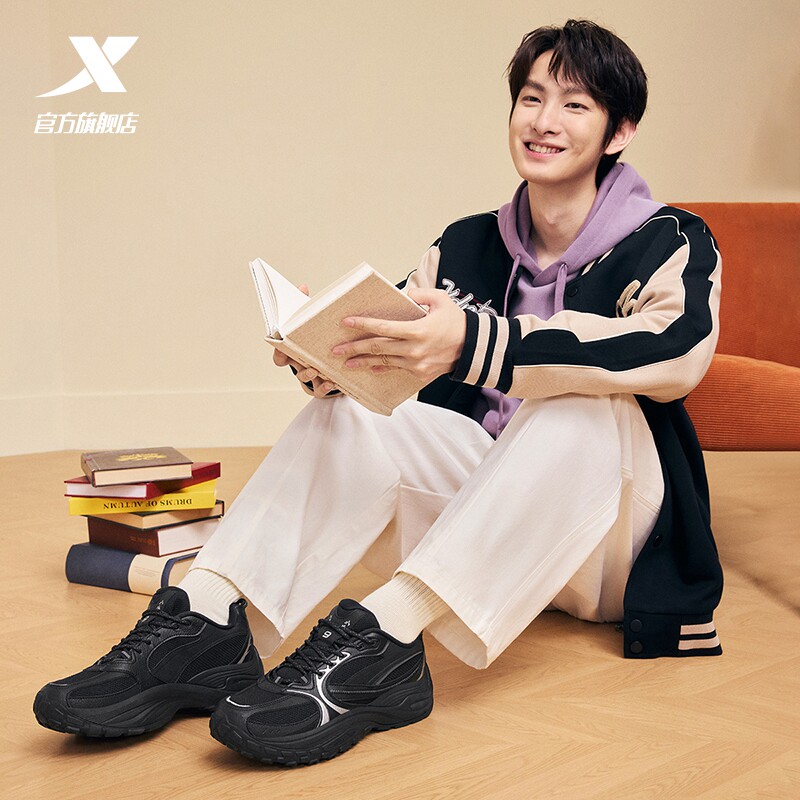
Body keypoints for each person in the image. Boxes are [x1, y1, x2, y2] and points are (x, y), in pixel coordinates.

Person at [34, 19, 723, 766]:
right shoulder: (465, 243)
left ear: (620, 131)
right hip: (487, 528)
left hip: (607, 543)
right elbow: (392, 354)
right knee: (349, 420)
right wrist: (328, 359)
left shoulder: (671, 239)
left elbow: (677, 353)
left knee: (584, 405)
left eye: (575, 105)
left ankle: (388, 638)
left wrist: (475, 341)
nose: (544, 121)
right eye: (531, 98)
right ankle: (209, 622)